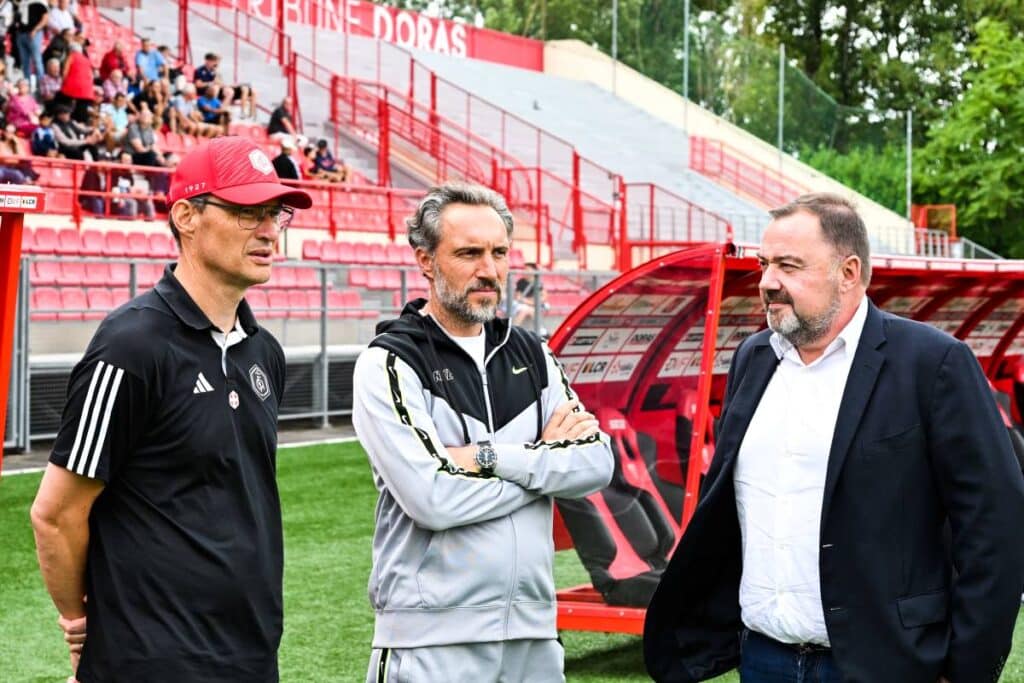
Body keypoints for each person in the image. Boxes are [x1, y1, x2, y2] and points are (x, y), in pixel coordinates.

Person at [643, 193, 1024, 683]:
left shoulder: (932, 363)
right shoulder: (752, 359)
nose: (766, 282)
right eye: (764, 264)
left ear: (848, 272)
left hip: (886, 663)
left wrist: (966, 668)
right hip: (763, 661)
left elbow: (994, 524)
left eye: (788, 265)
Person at [30, 135, 313, 683]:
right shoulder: (131, 345)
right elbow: (56, 514)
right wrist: (80, 623)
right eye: (246, 212)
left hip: (252, 655)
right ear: (186, 216)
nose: (268, 230)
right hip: (150, 661)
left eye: (275, 214)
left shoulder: (264, 352)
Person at [352, 182, 614, 682]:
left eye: (499, 253)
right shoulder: (389, 362)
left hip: (534, 633)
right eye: (468, 253)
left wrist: (493, 458)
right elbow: (433, 499)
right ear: (426, 261)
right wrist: (544, 464)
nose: (489, 270)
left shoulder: (533, 354)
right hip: (431, 641)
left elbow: (597, 463)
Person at [14, 0, 48, 81]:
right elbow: (18, 17)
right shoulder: (22, 3)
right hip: (21, 34)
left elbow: (45, 18)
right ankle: (27, 87)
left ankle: (42, 86)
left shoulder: (39, 2)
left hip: (33, 34)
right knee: (25, 62)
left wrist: (36, 29)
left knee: (37, 61)